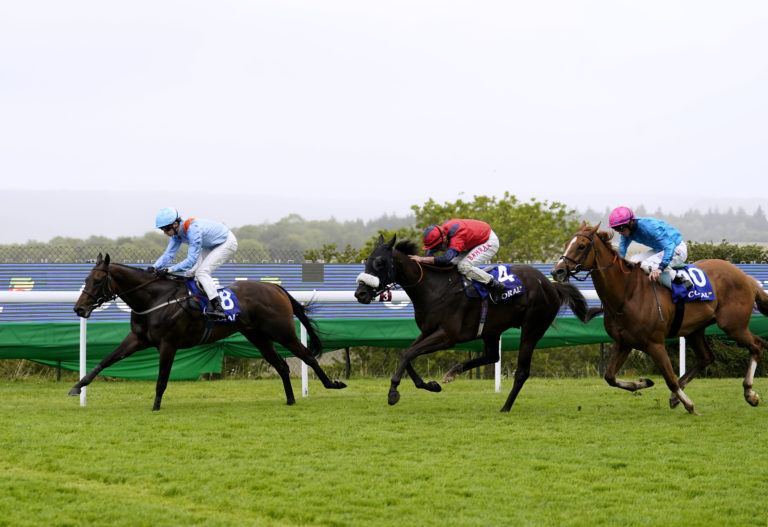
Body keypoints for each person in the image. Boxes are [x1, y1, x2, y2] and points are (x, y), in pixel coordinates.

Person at [153, 207, 238, 319]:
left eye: (166, 229)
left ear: (175, 224)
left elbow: (191, 261)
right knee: (189, 274)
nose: (164, 233)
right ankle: (198, 302)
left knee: (201, 273)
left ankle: (218, 308)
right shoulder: (176, 234)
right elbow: (169, 254)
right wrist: (154, 267)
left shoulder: (193, 229)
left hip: (226, 242)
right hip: (210, 245)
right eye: (162, 229)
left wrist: (170, 270)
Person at [409, 218, 507, 301]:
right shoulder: (441, 234)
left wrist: (422, 259)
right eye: (434, 248)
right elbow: (430, 257)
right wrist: (423, 260)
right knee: (451, 264)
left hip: (488, 241)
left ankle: (495, 285)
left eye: (437, 247)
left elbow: (445, 258)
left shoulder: (457, 236)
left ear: (443, 238)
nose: (436, 250)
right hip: (472, 241)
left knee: (463, 266)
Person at [608, 206, 693, 289]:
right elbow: (621, 253)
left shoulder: (650, 227)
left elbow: (669, 247)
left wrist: (661, 268)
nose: (619, 232)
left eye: (621, 228)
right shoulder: (626, 233)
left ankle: (680, 279)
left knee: (646, 264)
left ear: (631, 222)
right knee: (633, 261)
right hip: (660, 250)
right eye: (616, 229)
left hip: (676, 248)